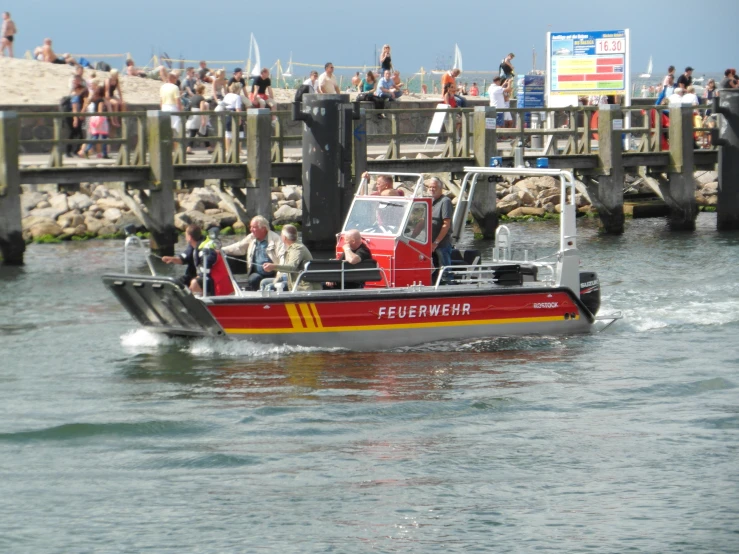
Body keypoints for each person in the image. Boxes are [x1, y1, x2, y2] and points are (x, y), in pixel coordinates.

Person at [162, 224, 234, 296]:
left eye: (186, 235)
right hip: (205, 277)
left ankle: (196, 303)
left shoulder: (206, 249)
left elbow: (205, 271)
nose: (185, 237)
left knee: (194, 282)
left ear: (189, 237)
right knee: (178, 282)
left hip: (216, 281)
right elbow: (184, 258)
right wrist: (171, 259)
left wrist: (192, 286)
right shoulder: (194, 246)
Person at [221, 215, 285, 291]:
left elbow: (282, 258)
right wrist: (221, 250)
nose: (251, 229)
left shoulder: (276, 239)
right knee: (253, 279)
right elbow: (239, 247)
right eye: (250, 227)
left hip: (273, 274)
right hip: (257, 273)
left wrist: (276, 269)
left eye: (254, 227)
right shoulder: (252, 237)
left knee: (272, 282)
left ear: (263, 229)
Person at [261, 225, 320, 291]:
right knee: (264, 282)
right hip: (296, 281)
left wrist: (273, 267)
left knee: (269, 287)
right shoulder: (292, 247)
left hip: (303, 286)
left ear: (284, 237)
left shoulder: (297, 248)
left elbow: (291, 267)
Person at [427, 177, 453, 282]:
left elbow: (446, 224)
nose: (431, 189)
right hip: (429, 243)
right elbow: (422, 221)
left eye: (434, 187)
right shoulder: (430, 202)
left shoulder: (445, 201)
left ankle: (449, 286)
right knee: (433, 270)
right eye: (430, 187)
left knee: (445, 269)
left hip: (442, 243)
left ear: (440, 188)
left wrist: (436, 242)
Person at [185, 83, 210, 155]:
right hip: (198, 116)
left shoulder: (192, 97)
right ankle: (209, 148)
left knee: (195, 132)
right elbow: (201, 109)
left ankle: (208, 148)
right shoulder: (201, 98)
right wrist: (203, 119)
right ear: (202, 90)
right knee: (203, 131)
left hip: (192, 115)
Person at [66, 75, 88, 157]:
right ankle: (69, 151)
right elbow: (74, 106)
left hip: (77, 114)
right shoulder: (74, 91)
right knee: (73, 133)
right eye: (74, 81)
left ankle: (74, 151)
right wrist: (75, 119)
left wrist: (82, 112)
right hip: (72, 114)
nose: (75, 82)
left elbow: (85, 101)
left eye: (77, 80)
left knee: (77, 134)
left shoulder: (81, 90)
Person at [160, 72, 182, 142]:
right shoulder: (175, 87)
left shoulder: (162, 87)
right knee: (176, 129)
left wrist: (162, 109)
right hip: (172, 107)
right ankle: (175, 146)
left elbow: (161, 101)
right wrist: (180, 111)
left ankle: (168, 145)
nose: (176, 79)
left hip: (164, 107)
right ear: (172, 78)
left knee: (166, 128)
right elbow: (177, 101)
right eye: (175, 78)